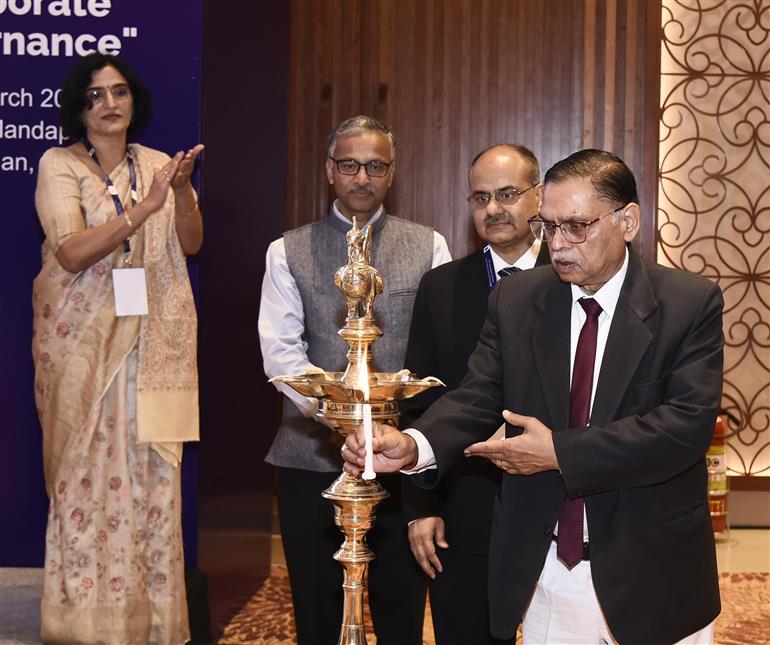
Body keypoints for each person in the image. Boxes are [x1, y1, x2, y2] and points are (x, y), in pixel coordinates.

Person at [342, 149, 723, 645]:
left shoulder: (688, 303)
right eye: (549, 226)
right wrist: (417, 444)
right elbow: (478, 394)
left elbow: (684, 427)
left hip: (651, 563)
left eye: (577, 227)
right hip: (549, 565)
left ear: (628, 220)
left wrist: (559, 453)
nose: (559, 245)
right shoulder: (518, 299)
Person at [259, 115, 451, 645]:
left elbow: (439, 349)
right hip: (311, 457)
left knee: (400, 607)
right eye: (350, 165)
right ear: (330, 170)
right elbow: (280, 355)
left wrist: (391, 434)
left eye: (375, 166)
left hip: (401, 460)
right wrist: (336, 418)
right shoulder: (287, 250)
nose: (362, 177)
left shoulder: (428, 246)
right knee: (318, 611)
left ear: (391, 173)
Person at [32, 53, 204, 645]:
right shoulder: (59, 164)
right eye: (95, 95)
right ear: (79, 107)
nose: (110, 104)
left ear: (135, 102)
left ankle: (151, 624)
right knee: (85, 478)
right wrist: (143, 209)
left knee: (149, 479)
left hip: (150, 343)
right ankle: (83, 627)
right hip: (82, 347)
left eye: (120, 92)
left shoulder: (157, 166)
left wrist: (178, 195)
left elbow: (192, 241)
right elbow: (72, 252)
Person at [401, 143, 549, 645]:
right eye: (480, 196)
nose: (493, 208)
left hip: (565, 501)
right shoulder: (441, 287)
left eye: (507, 193)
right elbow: (420, 402)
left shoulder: (575, 274)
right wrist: (422, 505)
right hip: (466, 502)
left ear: (539, 196)